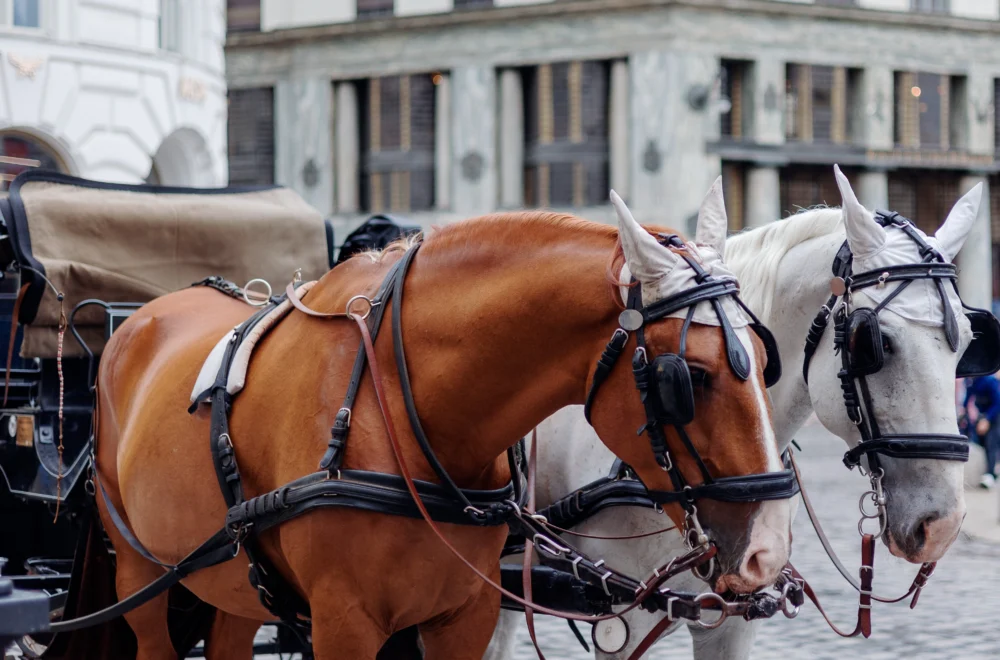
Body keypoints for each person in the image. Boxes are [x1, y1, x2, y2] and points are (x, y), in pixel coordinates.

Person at [963, 374, 1000, 489]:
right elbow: (967, 398)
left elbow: (997, 402)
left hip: (993, 417)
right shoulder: (970, 381)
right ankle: (987, 472)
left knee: (991, 444)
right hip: (981, 417)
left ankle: (990, 475)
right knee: (979, 444)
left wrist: (987, 420)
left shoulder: (989, 381)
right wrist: (963, 413)